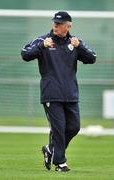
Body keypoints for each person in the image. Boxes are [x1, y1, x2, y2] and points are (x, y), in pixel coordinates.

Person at [21, 11, 96, 172]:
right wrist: (42, 46)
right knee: (58, 129)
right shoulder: (43, 40)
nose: (55, 25)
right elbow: (25, 54)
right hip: (51, 94)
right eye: (54, 22)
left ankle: (50, 149)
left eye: (59, 23)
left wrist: (79, 46)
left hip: (71, 94)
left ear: (68, 26)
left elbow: (92, 58)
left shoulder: (75, 42)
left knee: (74, 127)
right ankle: (60, 163)